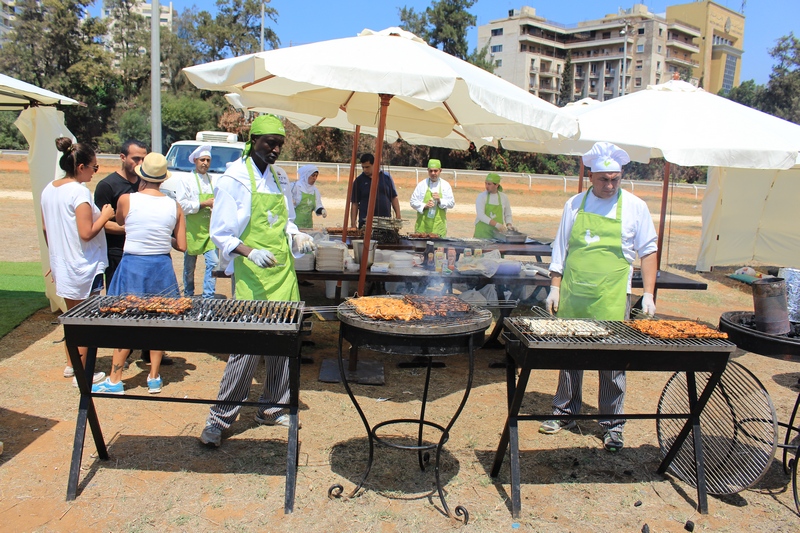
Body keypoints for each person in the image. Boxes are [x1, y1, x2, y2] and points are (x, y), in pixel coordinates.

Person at [199, 115, 316, 448]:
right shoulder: (235, 178)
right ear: (254, 141)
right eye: (269, 143)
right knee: (247, 350)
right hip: (253, 277)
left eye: (280, 143)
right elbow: (220, 233)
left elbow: (287, 221)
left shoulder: (279, 177)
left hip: (282, 276)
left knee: (283, 343)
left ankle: (272, 408)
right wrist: (250, 253)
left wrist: (296, 236)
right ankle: (219, 420)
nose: (276, 149)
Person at [540, 142, 658, 453]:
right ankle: (565, 412)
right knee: (569, 355)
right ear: (591, 176)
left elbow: (648, 251)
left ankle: (612, 424)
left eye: (615, 179)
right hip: (574, 293)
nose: (609, 185)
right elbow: (560, 249)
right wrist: (554, 286)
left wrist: (648, 293)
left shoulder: (635, 207)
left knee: (612, 360)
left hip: (611, 295)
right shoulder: (575, 205)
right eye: (604, 179)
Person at [91, 153, 187, 395]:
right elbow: (183, 245)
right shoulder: (174, 206)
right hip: (161, 267)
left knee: (125, 321)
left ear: (142, 174)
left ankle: (115, 379)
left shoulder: (126, 199)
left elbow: (122, 222)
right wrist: (166, 235)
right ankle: (153, 377)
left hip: (132, 265)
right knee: (159, 320)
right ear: (163, 179)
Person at [42, 137, 113, 387]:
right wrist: (105, 216)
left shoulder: (49, 189)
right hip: (83, 265)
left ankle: (72, 364)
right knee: (85, 319)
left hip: (64, 264)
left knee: (72, 318)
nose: (96, 172)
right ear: (80, 167)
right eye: (94, 167)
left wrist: (54, 255)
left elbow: (46, 228)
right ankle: (83, 373)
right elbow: (86, 232)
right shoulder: (79, 192)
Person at [95, 140, 172, 366]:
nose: (139, 162)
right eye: (135, 158)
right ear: (122, 157)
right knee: (124, 306)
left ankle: (149, 351)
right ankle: (123, 353)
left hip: (144, 252)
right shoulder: (107, 186)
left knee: (152, 304)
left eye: (143, 158)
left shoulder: (146, 183)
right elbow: (102, 222)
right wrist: (134, 227)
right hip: (118, 251)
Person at [174, 144, 218, 299]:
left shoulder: (214, 180)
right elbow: (182, 206)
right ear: (195, 161)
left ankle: (208, 297)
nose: (205, 163)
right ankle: (188, 294)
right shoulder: (186, 180)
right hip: (191, 230)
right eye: (202, 160)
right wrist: (203, 204)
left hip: (209, 231)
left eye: (208, 160)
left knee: (213, 263)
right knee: (189, 266)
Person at [350, 153, 402, 229]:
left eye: (367, 167)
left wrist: (398, 216)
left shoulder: (386, 178)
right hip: (365, 223)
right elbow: (355, 203)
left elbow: (394, 197)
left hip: (385, 222)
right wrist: (353, 224)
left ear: (374, 164)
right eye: (363, 167)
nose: (365, 170)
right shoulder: (359, 181)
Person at [409, 158, 455, 237]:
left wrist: (440, 200)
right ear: (428, 171)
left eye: (435, 171)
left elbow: (451, 203)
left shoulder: (445, 185)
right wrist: (424, 206)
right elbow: (412, 202)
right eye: (430, 171)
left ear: (440, 170)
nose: (433, 173)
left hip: (438, 229)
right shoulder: (422, 185)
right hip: (422, 229)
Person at [474, 172, 514, 238]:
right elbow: (481, 215)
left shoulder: (503, 197)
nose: (486, 186)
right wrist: (497, 225)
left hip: (497, 235)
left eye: (489, 184)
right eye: (485, 183)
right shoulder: (481, 196)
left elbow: (508, 214)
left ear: (496, 185)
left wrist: (509, 225)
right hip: (482, 234)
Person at [291, 164, 327, 229]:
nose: (315, 178)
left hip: (308, 226)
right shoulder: (294, 187)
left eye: (316, 176)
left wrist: (322, 210)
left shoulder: (315, 191)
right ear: (306, 175)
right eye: (313, 175)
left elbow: (317, 205)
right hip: (294, 226)